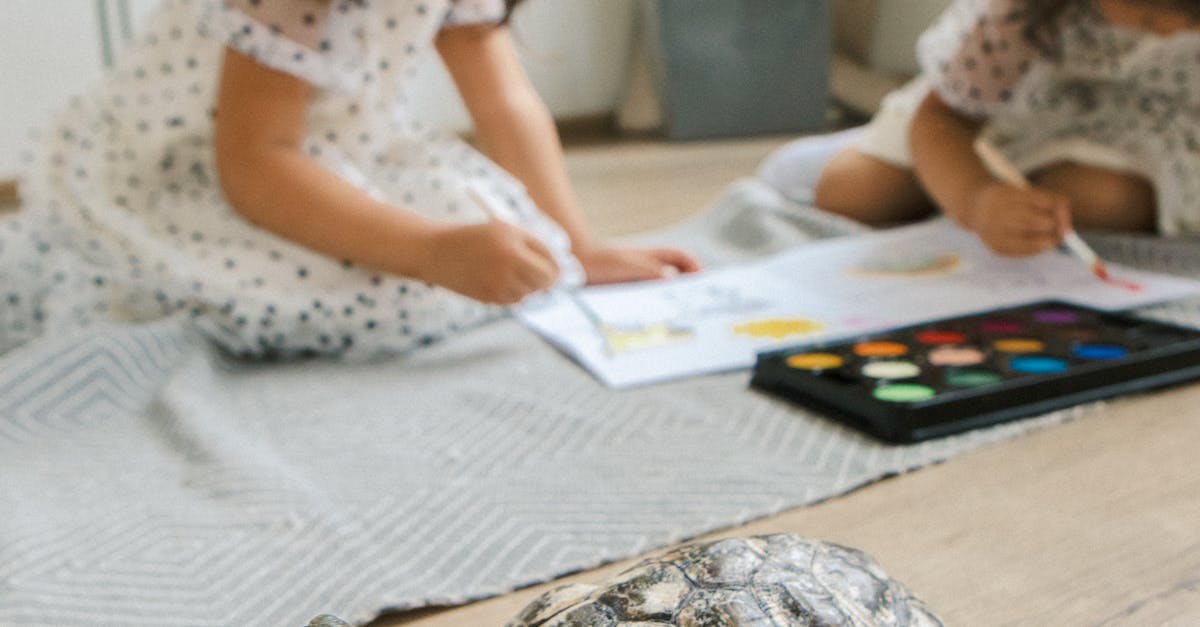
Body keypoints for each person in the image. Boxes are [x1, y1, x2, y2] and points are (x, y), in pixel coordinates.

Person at [1, 0, 700, 358]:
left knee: (506, 227)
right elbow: (256, 162)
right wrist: (433, 250)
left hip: (334, 146)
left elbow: (502, 98)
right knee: (390, 281)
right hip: (194, 168)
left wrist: (578, 244)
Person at [761, 0, 1200, 257]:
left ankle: (969, 186)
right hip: (1004, 109)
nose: (1158, 26)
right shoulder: (1021, 13)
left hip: (1145, 127)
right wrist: (976, 199)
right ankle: (866, 149)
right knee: (851, 195)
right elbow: (944, 117)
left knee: (1090, 207)